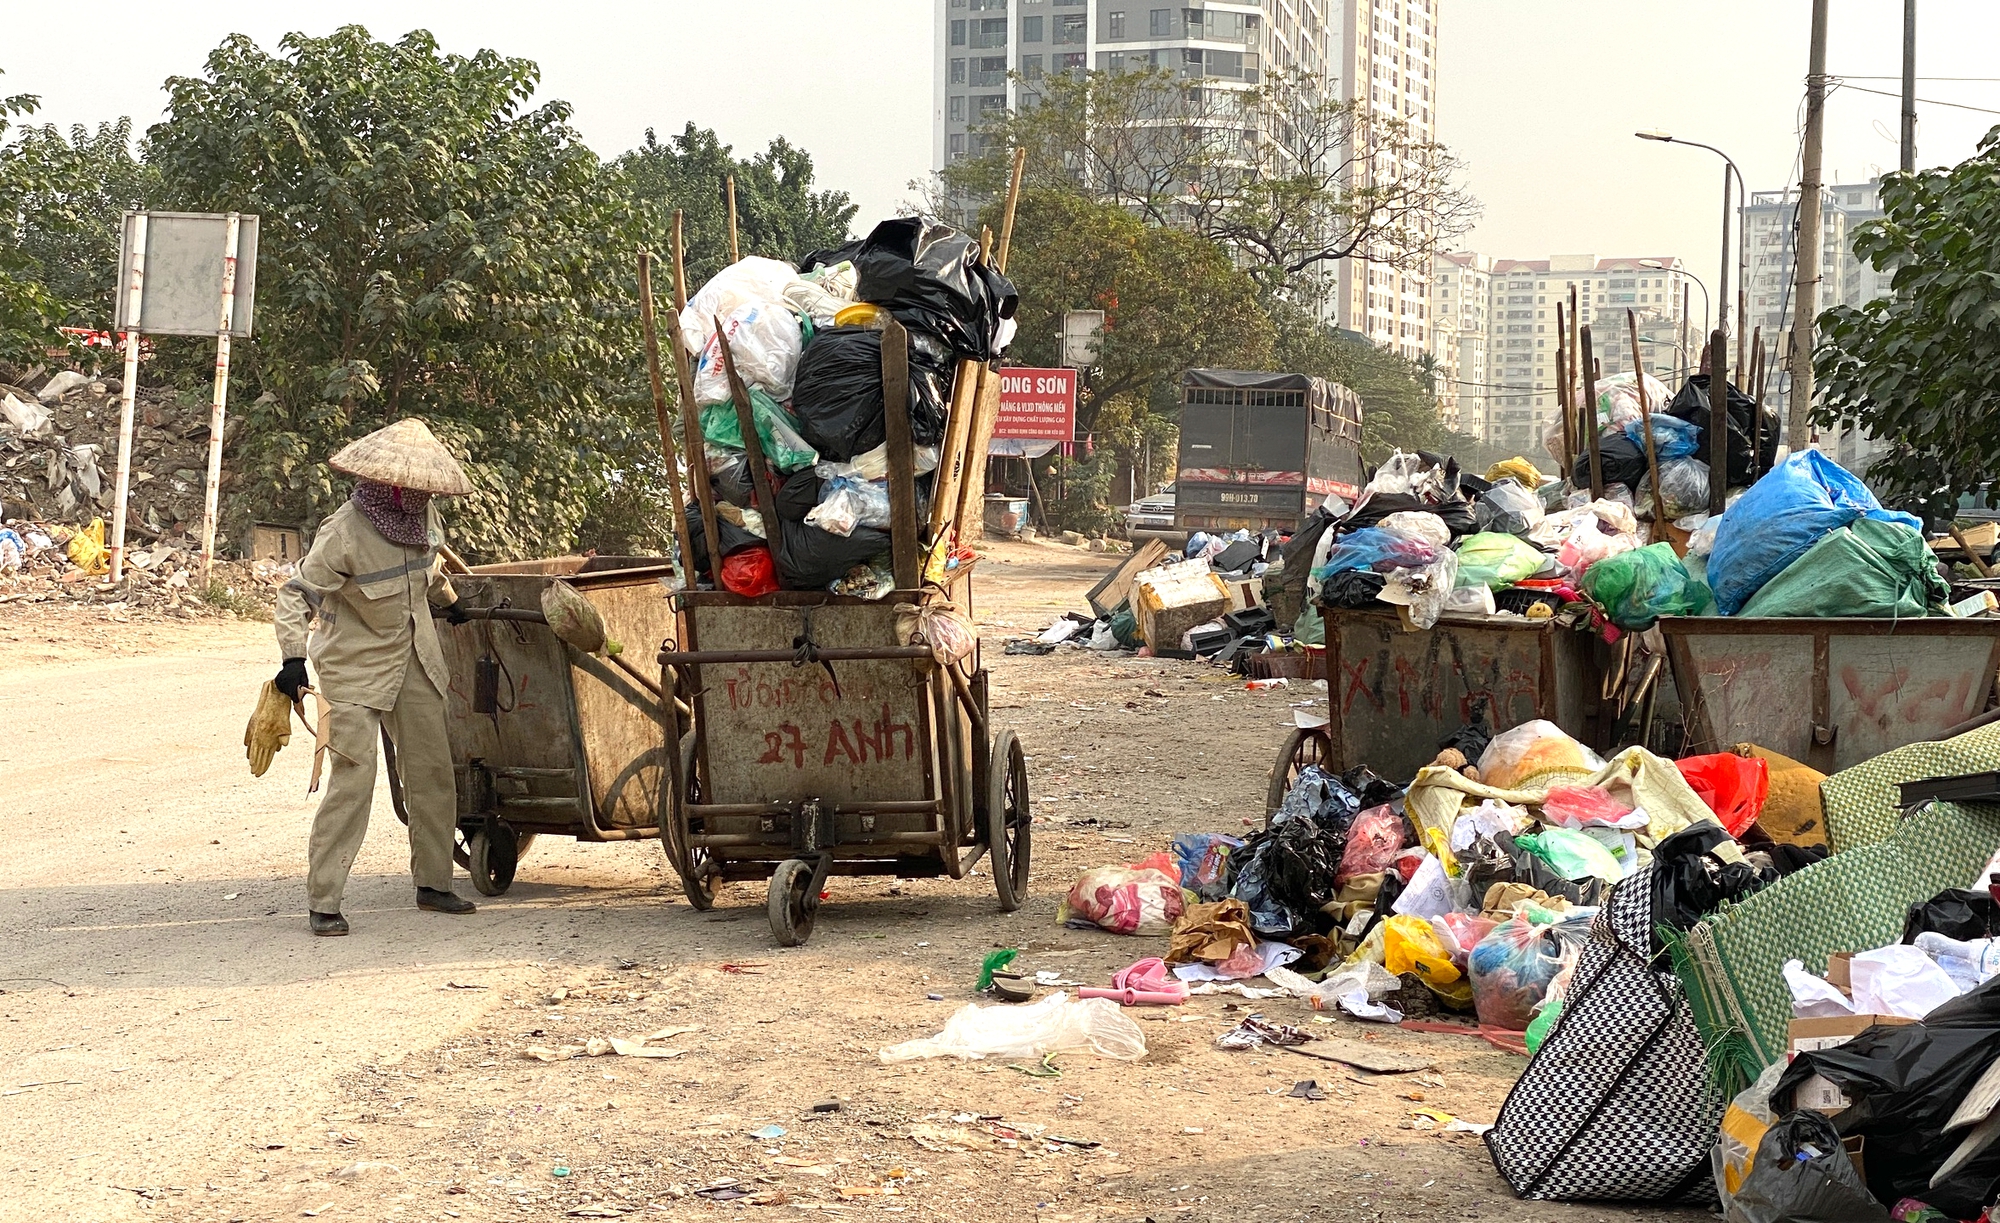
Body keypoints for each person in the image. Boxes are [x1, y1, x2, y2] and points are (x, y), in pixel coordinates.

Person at [272, 418, 477, 936]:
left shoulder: (424, 519)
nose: (424, 496)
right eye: (416, 489)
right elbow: (297, 594)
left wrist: (451, 604)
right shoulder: (344, 531)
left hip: (416, 659)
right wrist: (292, 659)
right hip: (354, 666)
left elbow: (425, 575)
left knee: (432, 772)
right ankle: (324, 900)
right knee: (354, 779)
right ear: (391, 485)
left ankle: (433, 884)